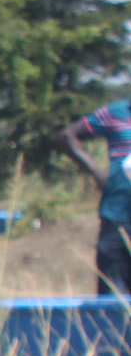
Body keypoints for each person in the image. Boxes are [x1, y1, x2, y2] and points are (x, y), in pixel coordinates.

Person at [59, 96, 131, 295]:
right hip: (118, 216)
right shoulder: (115, 113)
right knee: (113, 297)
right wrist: (95, 171)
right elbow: (69, 136)